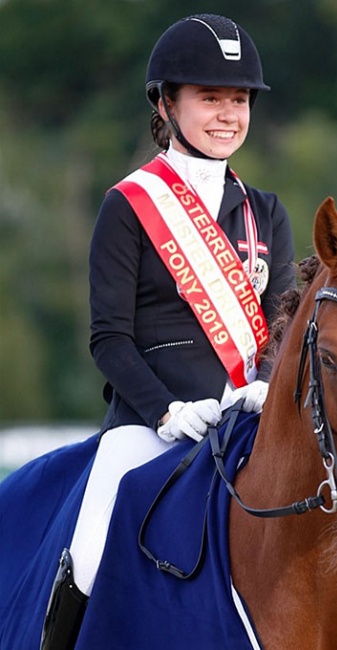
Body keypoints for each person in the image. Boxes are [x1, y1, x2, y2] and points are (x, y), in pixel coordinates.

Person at [40, 13, 296, 649]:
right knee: (93, 546)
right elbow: (109, 339)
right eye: (210, 98)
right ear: (166, 102)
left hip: (250, 420)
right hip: (150, 425)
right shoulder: (127, 205)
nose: (227, 114)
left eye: (238, 100)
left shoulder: (265, 211)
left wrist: (263, 384)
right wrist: (166, 411)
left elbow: (282, 325)